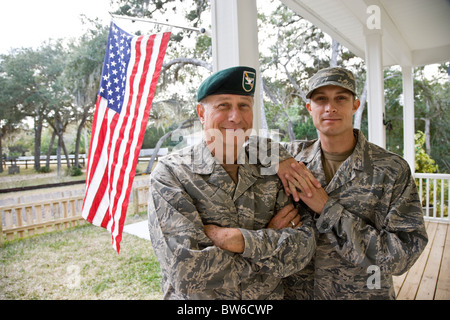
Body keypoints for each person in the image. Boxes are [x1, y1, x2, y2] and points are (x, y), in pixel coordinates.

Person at [148, 66, 316, 300]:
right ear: (201, 113)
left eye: (244, 106)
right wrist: (266, 241)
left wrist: (235, 239)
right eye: (223, 105)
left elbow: (302, 249)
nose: (235, 117)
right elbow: (185, 271)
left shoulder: (271, 169)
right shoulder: (172, 175)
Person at [274, 66, 428, 299]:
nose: (330, 107)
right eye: (321, 99)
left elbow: (404, 254)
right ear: (309, 108)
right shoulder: (291, 158)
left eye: (341, 98)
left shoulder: (391, 170)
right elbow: (241, 146)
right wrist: (277, 160)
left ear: (355, 105)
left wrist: (328, 210)